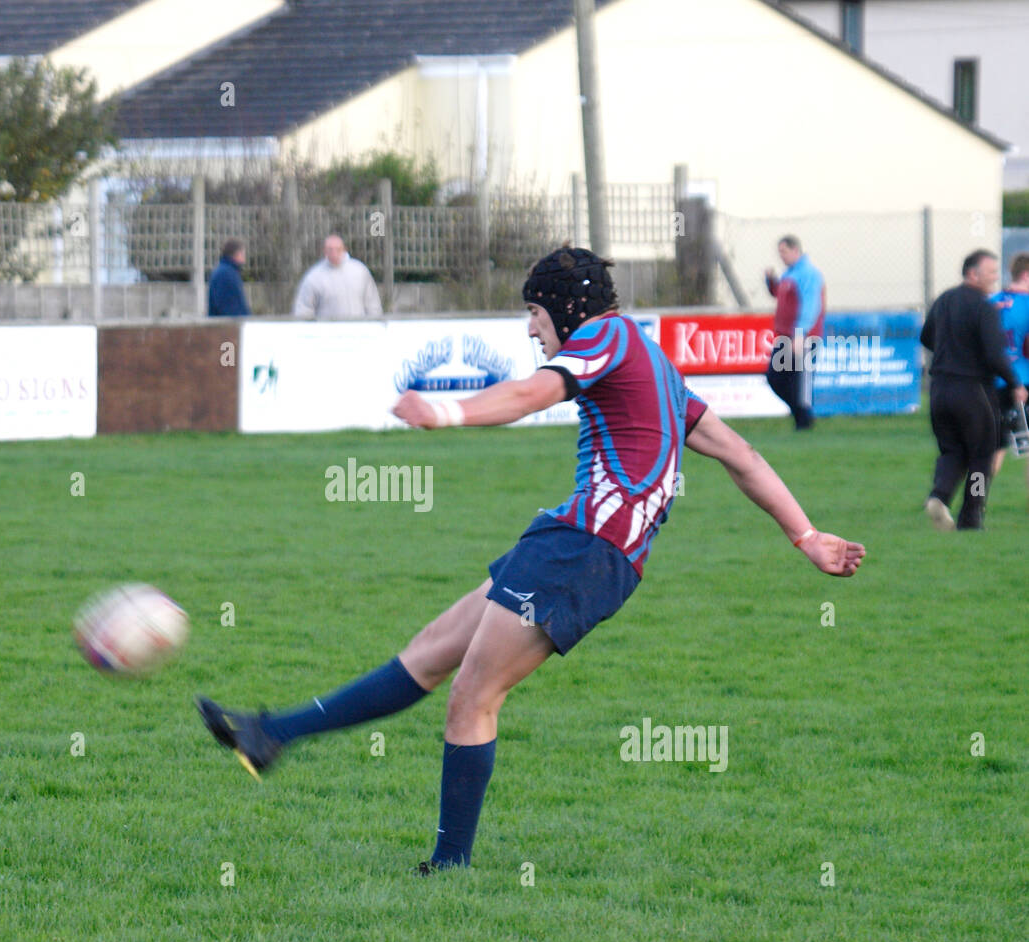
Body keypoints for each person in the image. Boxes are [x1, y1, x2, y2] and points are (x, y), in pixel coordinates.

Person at [195, 248, 865, 874]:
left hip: (584, 551)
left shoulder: (603, 337)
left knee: (472, 696)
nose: (531, 331)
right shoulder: (653, 361)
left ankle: (450, 869)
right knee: (429, 654)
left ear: (568, 311)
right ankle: (269, 733)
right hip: (571, 542)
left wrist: (443, 410)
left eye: (535, 315)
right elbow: (739, 453)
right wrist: (805, 536)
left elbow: (527, 395)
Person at [921, 250, 1029, 531]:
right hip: (972, 391)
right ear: (973, 273)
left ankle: (938, 497)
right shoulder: (984, 307)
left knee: (951, 451)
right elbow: (995, 354)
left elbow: (925, 336)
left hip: (939, 390)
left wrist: (950, 353)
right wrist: (1015, 382)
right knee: (982, 455)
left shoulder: (944, 299)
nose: (995, 278)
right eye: (991, 272)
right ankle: (971, 517)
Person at [764, 235, 825, 430]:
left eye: (784, 251)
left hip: (802, 337)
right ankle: (801, 415)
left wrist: (801, 333)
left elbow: (810, 305)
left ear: (795, 250)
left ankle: (804, 420)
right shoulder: (789, 274)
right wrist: (771, 281)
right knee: (776, 378)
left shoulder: (808, 274)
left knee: (801, 381)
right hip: (785, 337)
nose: (781, 256)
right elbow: (780, 295)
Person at [990, 253, 1029, 492]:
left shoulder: (989, 301)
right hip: (1023, 383)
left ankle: (974, 502)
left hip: (990, 383)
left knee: (992, 449)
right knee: (1027, 448)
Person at [292, 234, 382, 319]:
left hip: (358, 330)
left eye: (338, 249)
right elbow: (303, 309)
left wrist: (375, 325)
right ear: (324, 251)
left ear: (344, 249)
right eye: (330, 249)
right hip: (327, 332)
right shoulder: (314, 277)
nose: (334, 253)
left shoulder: (360, 271)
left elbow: (372, 303)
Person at [208, 239, 251, 317]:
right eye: (243, 254)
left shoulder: (226, 271)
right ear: (237, 254)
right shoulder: (226, 274)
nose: (244, 259)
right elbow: (230, 307)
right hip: (226, 327)